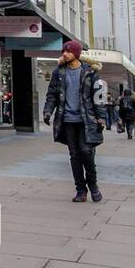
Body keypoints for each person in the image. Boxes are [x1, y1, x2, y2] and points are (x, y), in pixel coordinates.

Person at [43, 40, 106, 202]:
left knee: (86, 151)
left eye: (68, 51)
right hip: (67, 121)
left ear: (76, 54)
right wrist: (48, 112)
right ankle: (80, 190)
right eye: (63, 51)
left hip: (87, 120)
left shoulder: (90, 72)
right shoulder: (59, 73)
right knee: (74, 155)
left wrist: (101, 118)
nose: (64, 54)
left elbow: (99, 97)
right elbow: (52, 95)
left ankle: (93, 185)